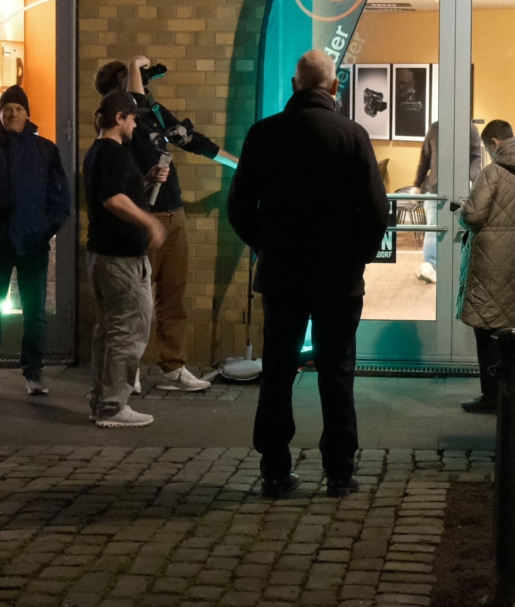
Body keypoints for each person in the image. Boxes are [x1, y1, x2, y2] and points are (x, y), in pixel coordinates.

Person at [228, 50, 390, 496]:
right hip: (338, 276)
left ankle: (274, 470)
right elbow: (377, 210)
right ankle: (339, 471)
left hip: (282, 274)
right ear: (334, 87)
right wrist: (357, 256)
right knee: (336, 370)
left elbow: (238, 207)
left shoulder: (263, 134)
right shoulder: (352, 135)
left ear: (294, 85)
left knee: (278, 369)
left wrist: (264, 245)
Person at [97, 57, 219, 395]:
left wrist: (237, 161)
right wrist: (135, 64)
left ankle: (173, 367)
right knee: (138, 300)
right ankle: (130, 370)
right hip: (145, 218)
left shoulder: (150, 115)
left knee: (173, 295)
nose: (144, 87)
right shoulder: (118, 130)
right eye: (134, 80)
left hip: (173, 213)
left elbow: (189, 138)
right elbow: (134, 98)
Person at [0, 86, 66, 400]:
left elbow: (60, 199)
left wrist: (45, 230)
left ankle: (34, 372)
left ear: (27, 114)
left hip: (33, 245)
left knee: (35, 314)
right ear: (0, 114)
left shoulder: (45, 150)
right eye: (7, 109)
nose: (13, 114)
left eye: (18, 109)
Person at [83, 87, 170, 428]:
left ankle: (101, 401)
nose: (135, 125)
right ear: (119, 118)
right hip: (122, 260)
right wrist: (150, 222)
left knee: (108, 331)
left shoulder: (97, 152)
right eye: (132, 118)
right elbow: (113, 200)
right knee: (127, 331)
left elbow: (117, 193)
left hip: (102, 256)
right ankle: (113, 406)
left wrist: (145, 181)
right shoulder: (115, 153)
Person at [456, 120, 515, 414]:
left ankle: (492, 393)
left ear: (493, 142)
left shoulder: (491, 172)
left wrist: (462, 209)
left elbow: (474, 216)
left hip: (492, 258)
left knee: (487, 323)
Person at [416, 120, 486, 286]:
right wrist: (417, 184)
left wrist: (470, 178)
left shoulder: (470, 129)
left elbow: (476, 157)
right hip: (436, 189)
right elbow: (425, 158)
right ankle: (431, 265)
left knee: (461, 227)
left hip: (459, 192)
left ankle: (461, 265)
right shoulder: (435, 128)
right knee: (433, 228)